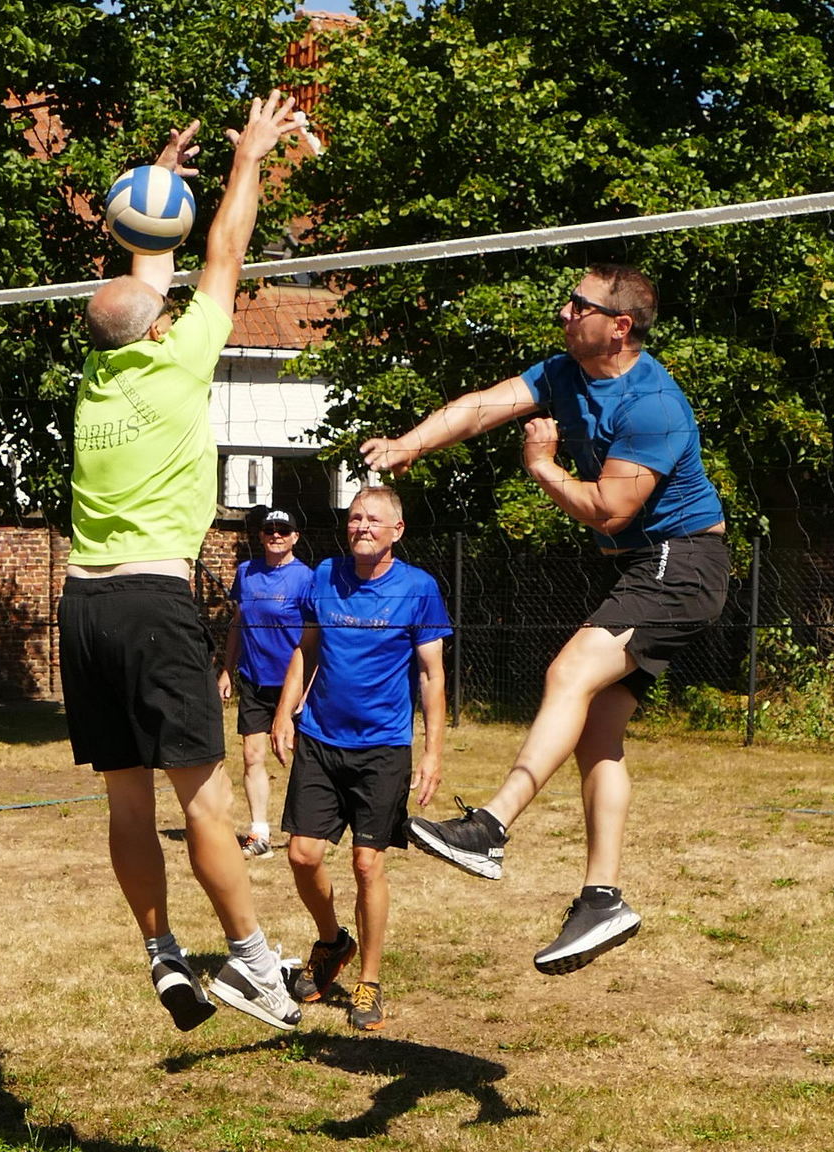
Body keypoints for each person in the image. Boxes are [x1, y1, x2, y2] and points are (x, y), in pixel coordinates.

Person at [360, 265, 728, 975]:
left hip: (681, 563)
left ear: (619, 326)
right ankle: (602, 899)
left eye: (578, 305)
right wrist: (409, 444)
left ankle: (490, 828)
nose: (562, 312)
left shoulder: (652, 403)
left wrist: (542, 467)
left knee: (568, 672)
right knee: (597, 732)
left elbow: (609, 510)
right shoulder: (564, 371)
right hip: (645, 566)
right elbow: (481, 407)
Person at [58, 92, 304, 1033]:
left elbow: (142, 284)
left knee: (127, 799)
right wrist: (249, 158)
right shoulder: (177, 360)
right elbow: (226, 251)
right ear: (160, 327)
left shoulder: (98, 373)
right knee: (204, 796)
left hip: (83, 605)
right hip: (154, 602)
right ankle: (251, 962)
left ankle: (161, 949)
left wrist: (154, 194)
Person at [270, 487, 450, 1030]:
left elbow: (431, 675)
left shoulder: (419, 588)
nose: (362, 526)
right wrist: (285, 711)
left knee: (367, 863)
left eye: (373, 519)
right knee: (302, 856)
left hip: (383, 748)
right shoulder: (324, 576)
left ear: (398, 530)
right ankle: (332, 942)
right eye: (354, 517)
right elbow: (307, 648)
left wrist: (432, 751)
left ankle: (369, 982)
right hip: (321, 739)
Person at [218, 507, 312, 859]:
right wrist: (227, 670)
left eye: (283, 530)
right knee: (252, 755)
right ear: (260, 536)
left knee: (303, 757)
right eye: (270, 529)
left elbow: (316, 638)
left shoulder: (307, 579)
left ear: (295, 537)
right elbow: (237, 624)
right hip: (255, 680)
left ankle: (307, 830)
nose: (276, 535)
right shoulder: (246, 572)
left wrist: (308, 688)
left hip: (294, 684)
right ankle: (259, 834)